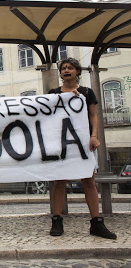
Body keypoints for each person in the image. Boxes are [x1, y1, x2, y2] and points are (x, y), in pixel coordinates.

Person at [48, 58, 116, 239]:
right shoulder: (54, 93)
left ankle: (96, 222)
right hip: (62, 142)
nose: (66, 70)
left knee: (89, 181)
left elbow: (93, 116)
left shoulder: (86, 93)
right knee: (59, 181)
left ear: (77, 71)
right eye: (63, 68)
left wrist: (94, 136)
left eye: (70, 68)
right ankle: (56, 220)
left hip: (82, 142)